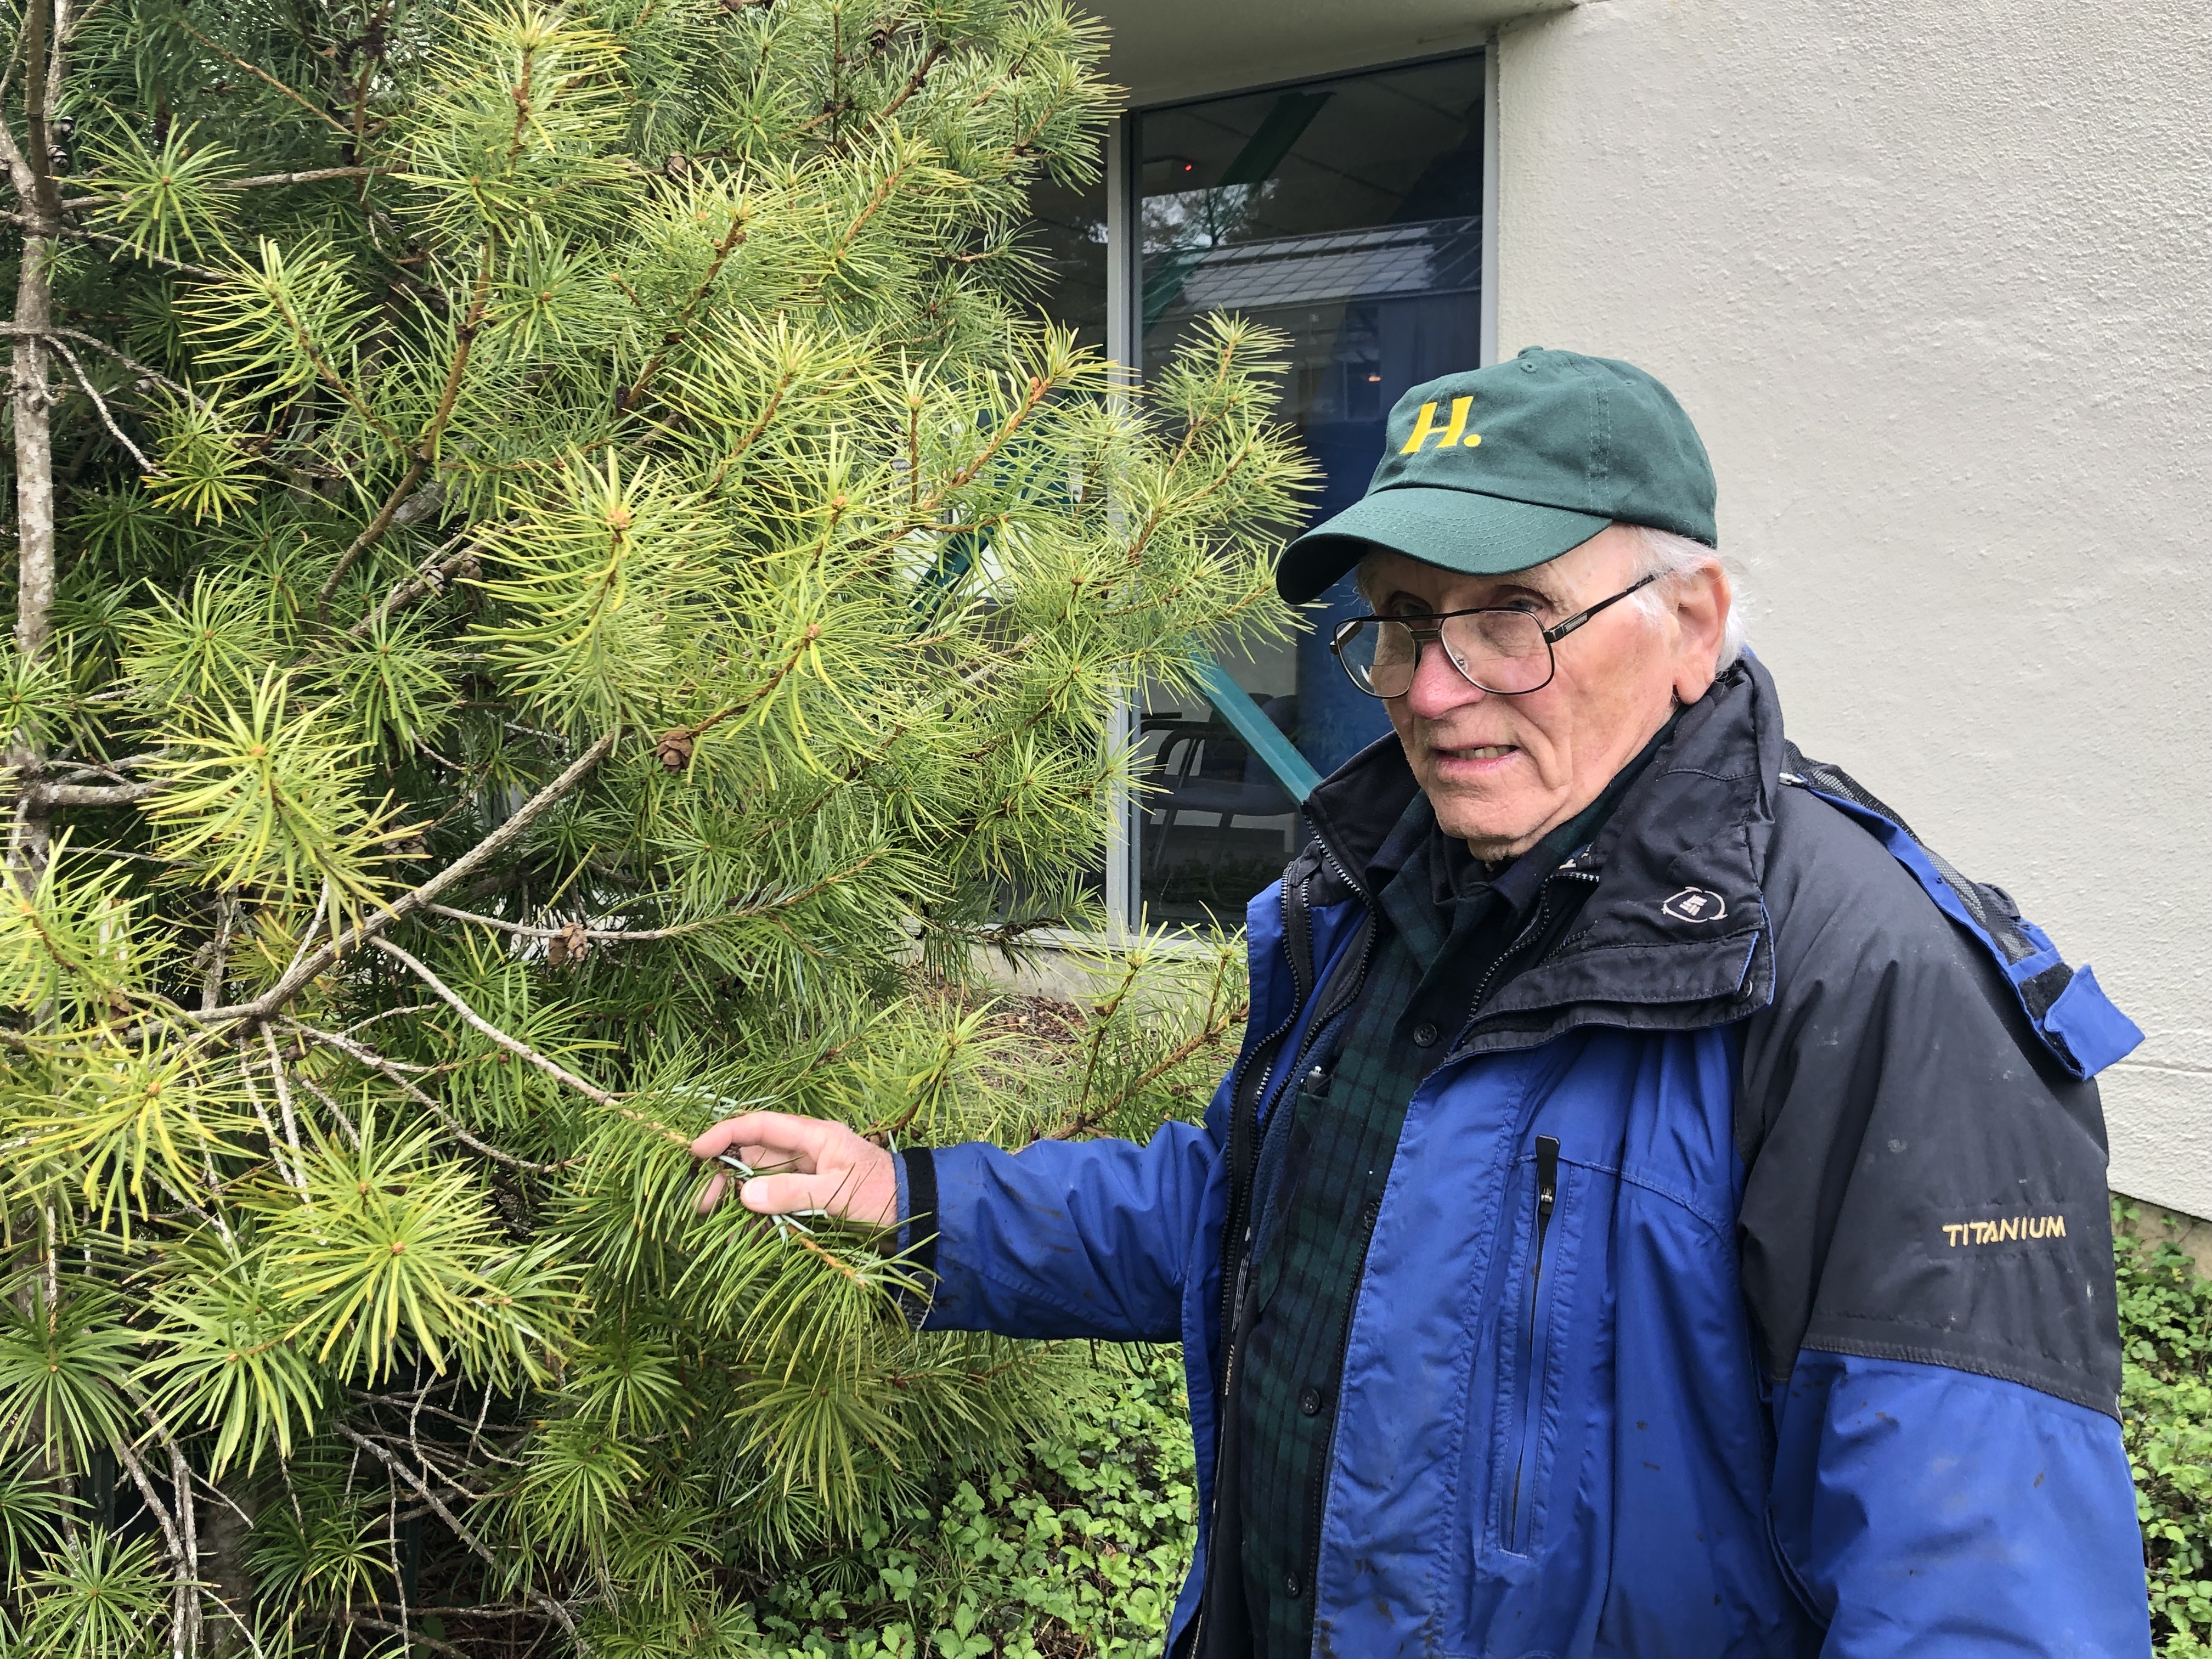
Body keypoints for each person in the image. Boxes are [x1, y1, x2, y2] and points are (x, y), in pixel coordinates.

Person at [693, 349, 2153, 1657]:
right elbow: (1249, 1213)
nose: (1436, 689)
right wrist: (916, 1200)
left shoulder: (1869, 982)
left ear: (1692, 621)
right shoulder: (1382, 897)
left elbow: (1985, 1598)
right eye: (1401, 622)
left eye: (1513, 618)